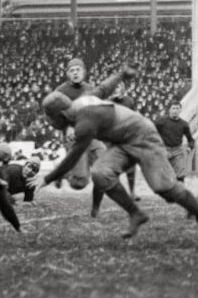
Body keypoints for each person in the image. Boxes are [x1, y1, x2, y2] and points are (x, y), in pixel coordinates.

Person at [31, 89, 198, 248]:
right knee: (100, 173)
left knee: (165, 188)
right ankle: (136, 213)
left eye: (52, 119)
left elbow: (74, 157)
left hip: (144, 137)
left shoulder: (84, 123)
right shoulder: (79, 107)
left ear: (61, 115)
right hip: (122, 141)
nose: (51, 124)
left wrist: (47, 178)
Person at [46, 58, 135, 216]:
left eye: (77, 70)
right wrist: (66, 127)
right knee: (79, 183)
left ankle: (95, 208)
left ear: (84, 72)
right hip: (74, 137)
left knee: (104, 170)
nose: (75, 73)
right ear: (67, 73)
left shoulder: (91, 89)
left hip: (92, 135)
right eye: (71, 70)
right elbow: (53, 117)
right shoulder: (59, 92)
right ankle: (61, 172)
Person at [111, 82, 139, 200]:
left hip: (127, 136)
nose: (115, 89)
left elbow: (135, 116)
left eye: (117, 87)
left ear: (122, 89)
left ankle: (132, 192)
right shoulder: (108, 102)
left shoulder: (129, 101)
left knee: (131, 164)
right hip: (112, 137)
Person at [154, 102, 194, 183]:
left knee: (180, 174)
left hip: (177, 151)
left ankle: (180, 193)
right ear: (169, 110)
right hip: (164, 150)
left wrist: (189, 147)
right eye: (173, 108)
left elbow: (191, 139)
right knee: (164, 175)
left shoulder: (184, 124)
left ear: (180, 110)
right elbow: (153, 133)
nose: (175, 111)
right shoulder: (161, 121)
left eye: (177, 108)